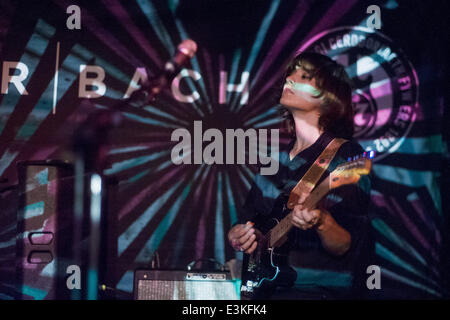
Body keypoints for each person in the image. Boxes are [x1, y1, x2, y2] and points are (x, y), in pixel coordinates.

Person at [227, 51, 372, 300]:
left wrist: (322, 222)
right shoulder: (274, 161)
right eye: (290, 73)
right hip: (264, 293)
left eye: (304, 76)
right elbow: (247, 222)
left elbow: (345, 245)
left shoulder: (347, 156)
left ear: (329, 97)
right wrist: (239, 236)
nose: (290, 79)